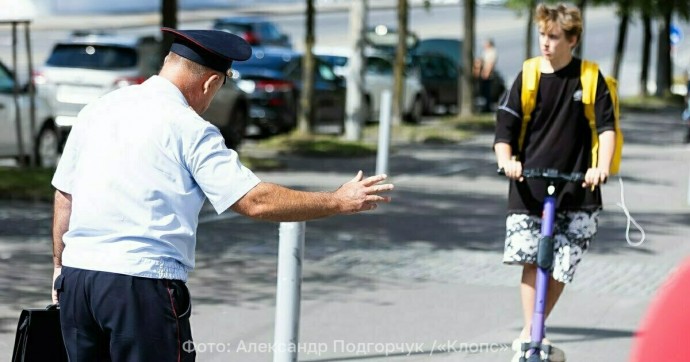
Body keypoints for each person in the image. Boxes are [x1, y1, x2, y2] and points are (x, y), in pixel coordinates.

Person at [50, 28, 394, 361]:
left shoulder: (98, 110)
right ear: (212, 81)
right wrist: (338, 200)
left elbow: (65, 194)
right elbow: (254, 201)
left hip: (78, 279)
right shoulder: (189, 127)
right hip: (140, 285)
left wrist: (58, 268)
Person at [493, 4, 615, 361]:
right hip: (528, 184)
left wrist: (600, 167)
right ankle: (533, 334)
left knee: (561, 263)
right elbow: (505, 129)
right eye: (542, 36)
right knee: (532, 259)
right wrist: (507, 161)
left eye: (554, 37)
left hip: (579, 186)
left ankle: (534, 331)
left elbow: (607, 129)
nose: (545, 43)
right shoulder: (528, 75)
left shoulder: (591, 78)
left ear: (573, 39)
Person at [479, 38, 498, 112]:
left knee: (488, 91)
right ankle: (486, 106)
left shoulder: (492, 52)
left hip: (488, 75)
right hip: (484, 73)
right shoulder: (486, 52)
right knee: (484, 91)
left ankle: (487, 107)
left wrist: (486, 73)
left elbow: (491, 63)